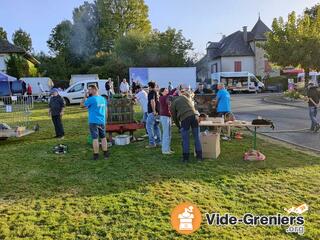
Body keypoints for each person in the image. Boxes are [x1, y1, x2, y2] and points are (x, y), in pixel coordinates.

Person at [169, 94, 202, 163]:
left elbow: (174, 118)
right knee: (197, 138)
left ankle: (185, 159)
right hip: (195, 117)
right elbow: (192, 105)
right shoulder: (183, 97)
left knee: (185, 140)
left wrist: (179, 126)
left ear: (170, 101)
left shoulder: (172, 104)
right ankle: (199, 157)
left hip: (185, 119)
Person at [81, 85, 109, 160]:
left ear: (94, 90)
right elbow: (106, 111)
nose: (88, 91)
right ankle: (106, 153)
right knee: (103, 138)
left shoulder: (91, 99)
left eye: (89, 90)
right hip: (102, 121)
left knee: (95, 138)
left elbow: (81, 105)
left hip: (93, 121)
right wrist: (105, 120)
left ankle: (96, 155)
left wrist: (84, 97)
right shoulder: (103, 99)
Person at [146, 81, 161, 148]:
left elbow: (152, 101)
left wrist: (154, 111)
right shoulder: (156, 92)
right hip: (157, 112)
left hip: (153, 112)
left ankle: (152, 143)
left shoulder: (151, 92)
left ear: (150, 86)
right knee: (156, 126)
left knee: (148, 126)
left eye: (148, 86)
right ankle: (159, 142)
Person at [159, 88, 174, 155]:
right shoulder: (162, 97)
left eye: (167, 90)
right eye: (165, 90)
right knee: (166, 134)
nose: (167, 91)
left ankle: (168, 149)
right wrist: (175, 89)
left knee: (169, 134)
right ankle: (164, 150)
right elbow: (170, 95)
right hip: (164, 117)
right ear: (162, 92)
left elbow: (170, 95)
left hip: (168, 116)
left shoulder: (166, 97)